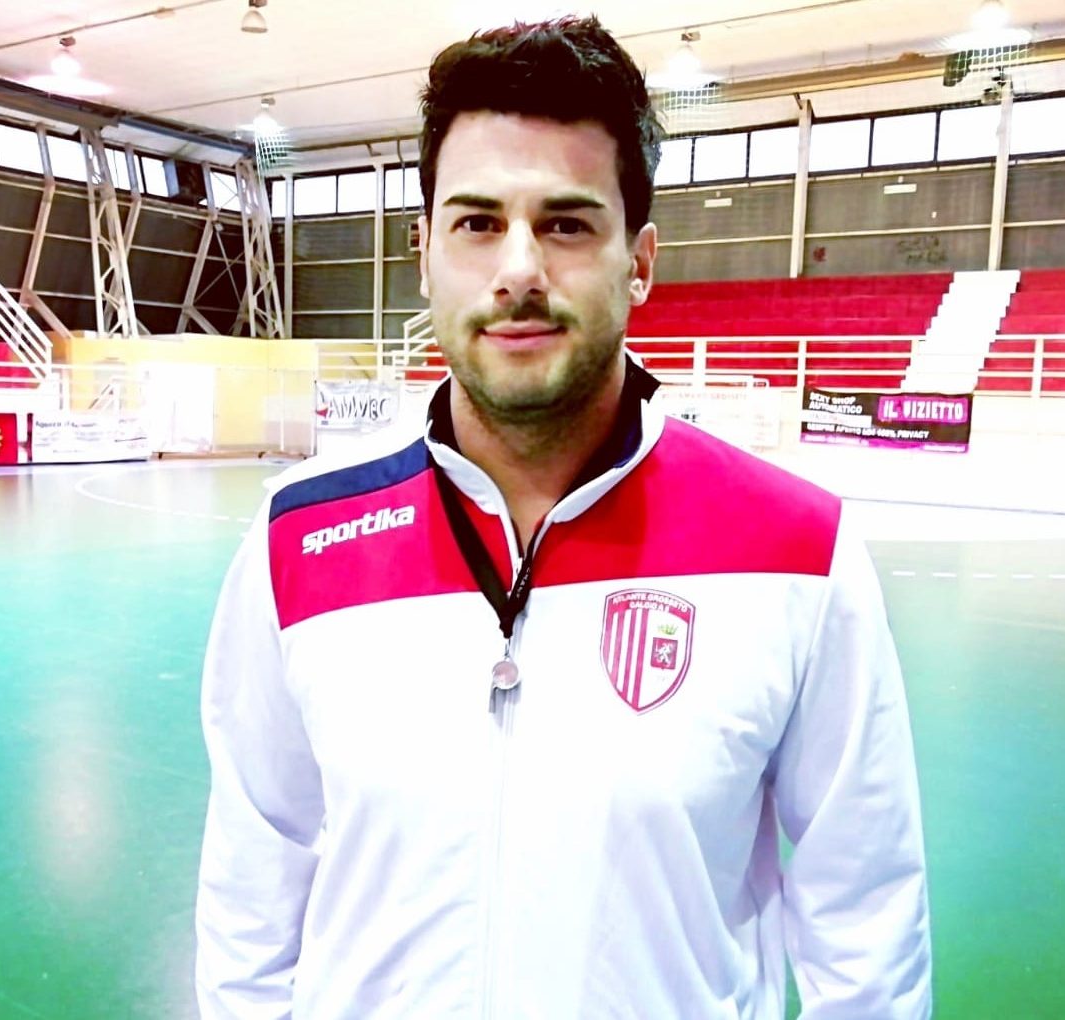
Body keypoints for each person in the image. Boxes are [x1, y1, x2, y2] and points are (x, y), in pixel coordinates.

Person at [196, 16, 930, 1018]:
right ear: (424, 255)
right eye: (476, 223)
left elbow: (866, 919)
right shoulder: (299, 540)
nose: (519, 269)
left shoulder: (796, 550)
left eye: (568, 224)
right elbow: (254, 884)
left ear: (641, 261)